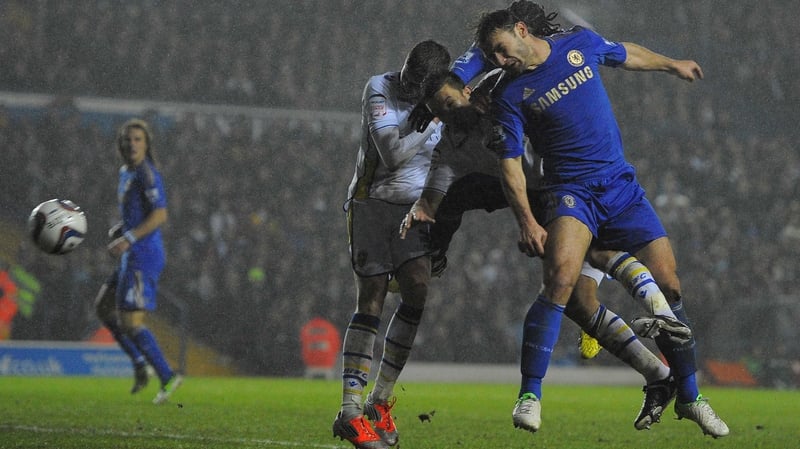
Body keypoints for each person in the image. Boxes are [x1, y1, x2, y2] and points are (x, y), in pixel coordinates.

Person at [469, 1, 728, 437]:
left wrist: (671, 65)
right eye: (492, 56)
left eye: (500, 48)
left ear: (520, 30)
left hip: (621, 187)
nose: (498, 60)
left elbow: (626, 54)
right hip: (573, 195)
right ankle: (530, 395)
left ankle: (689, 396)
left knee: (670, 283)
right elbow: (510, 165)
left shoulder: (580, 45)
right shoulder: (511, 95)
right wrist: (528, 222)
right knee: (559, 282)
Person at [402, 68, 685, 431]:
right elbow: (438, 190)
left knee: (596, 261)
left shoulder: (502, 98)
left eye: (448, 102)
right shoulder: (452, 145)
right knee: (580, 302)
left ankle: (664, 320)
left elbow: (533, 74)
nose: (446, 114)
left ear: (468, 91)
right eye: (438, 110)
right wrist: (422, 208)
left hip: (578, 183)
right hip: (545, 199)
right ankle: (659, 375)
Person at [333, 40, 451, 449]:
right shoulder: (378, 88)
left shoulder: (443, 99)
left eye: (417, 83)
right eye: (406, 73)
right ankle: (349, 411)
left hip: (415, 210)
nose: (406, 83)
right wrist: (431, 123)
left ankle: (378, 401)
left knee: (418, 290)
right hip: (372, 203)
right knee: (372, 298)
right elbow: (393, 153)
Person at [93, 118, 183, 405]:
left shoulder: (147, 173)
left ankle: (167, 375)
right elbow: (139, 212)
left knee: (131, 322)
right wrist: (122, 228)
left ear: (146, 144)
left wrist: (128, 238)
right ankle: (138, 362)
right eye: (128, 139)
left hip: (144, 255)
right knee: (103, 308)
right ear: (120, 144)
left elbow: (160, 215)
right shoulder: (126, 172)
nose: (132, 144)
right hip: (131, 252)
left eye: (138, 139)